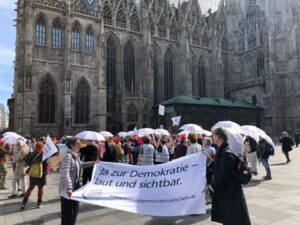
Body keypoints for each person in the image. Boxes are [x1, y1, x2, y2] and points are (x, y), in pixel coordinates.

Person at [205, 128, 251, 225]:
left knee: (232, 220)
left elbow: (223, 176)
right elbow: (222, 170)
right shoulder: (223, 151)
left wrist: (210, 187)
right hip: (229, 194)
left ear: (219, 137)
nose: (211, 137)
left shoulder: (225, 153)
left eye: (213, 135)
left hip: (230, 195)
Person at [59, 136, 98, 225]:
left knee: (74, 212)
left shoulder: (75, 156)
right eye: (78, 141)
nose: (80, 142)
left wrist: (94, 163)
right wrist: (69, 187)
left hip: (76, 186)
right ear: (72, 144)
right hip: (68, 189)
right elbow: (65, 172)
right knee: (68, 216)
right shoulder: (68, 156)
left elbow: (81, 165)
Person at [21, 141, 49, 209]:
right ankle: (39, 203)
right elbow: (46, 164)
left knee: (30, 187)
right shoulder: (44, 154)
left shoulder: (32, 153)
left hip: (33, 172)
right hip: (42, 173)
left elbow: (26, 161)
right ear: (43, 146)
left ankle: (24, 203)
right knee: (40, 188)